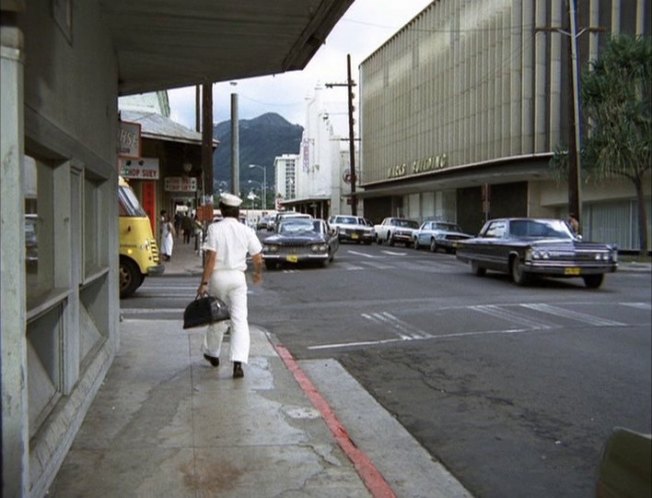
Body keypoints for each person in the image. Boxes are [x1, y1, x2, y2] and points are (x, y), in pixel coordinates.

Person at [197, 193, 264, 378]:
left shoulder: (214, 229)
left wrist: (204, 283)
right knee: (239, 320)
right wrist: (257, 273)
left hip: (218, 277)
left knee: (217, 316)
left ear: (222, 209)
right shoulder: (246, 231)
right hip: (238, 278)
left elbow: (211, 258)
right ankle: (238, 362)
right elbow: (258, 257)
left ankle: (213, 353)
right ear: (238, 211)